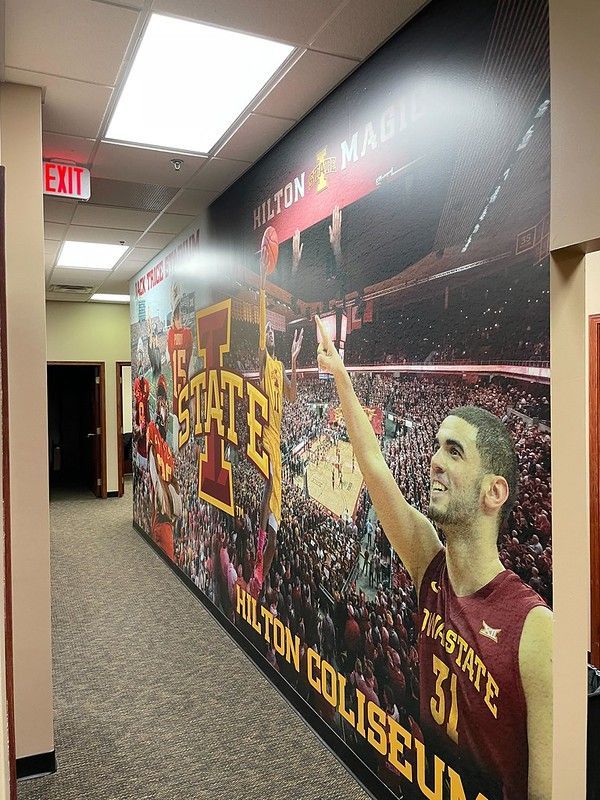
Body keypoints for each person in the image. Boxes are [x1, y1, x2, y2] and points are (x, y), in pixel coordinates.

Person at [315, 315, 552, 800]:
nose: (435, 461)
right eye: (436, 447)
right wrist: (341, 376)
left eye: (454, 452)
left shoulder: (536, 629)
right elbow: (377, 472)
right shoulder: (430, 566)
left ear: (494, 492)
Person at [252, 250, 303, 596]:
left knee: (278, 523)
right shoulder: (263, 358)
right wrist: (263, 280)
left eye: (272, 330)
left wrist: (297, 362)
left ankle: (261, 575)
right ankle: (257, 541)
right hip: (265, 437)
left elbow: (294, 396)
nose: (270, 331)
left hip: (278, 442)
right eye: (267, 329)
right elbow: (261, 315)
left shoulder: (280, 366)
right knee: (268, 488)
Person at [146, 374, 182, 561]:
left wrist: (176, 492)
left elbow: (172, 478)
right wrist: (166, 498)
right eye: (160, 400)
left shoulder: (167, 449)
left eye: (165, 401)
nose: (163, 405)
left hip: (166, 519)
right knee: (169, 558)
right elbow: (154, 472)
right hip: (161, 515)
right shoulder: (152, 431)